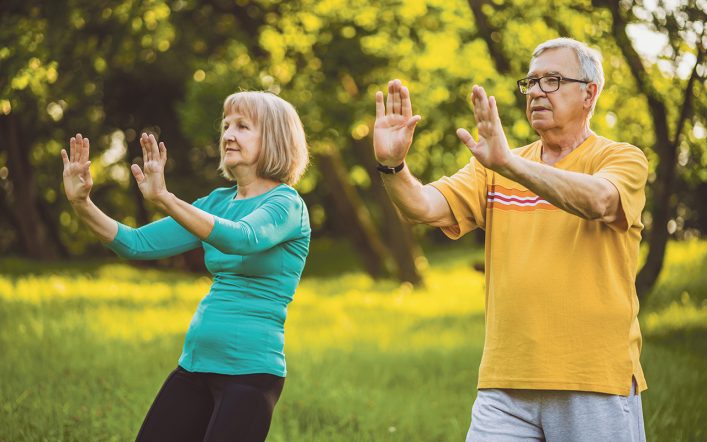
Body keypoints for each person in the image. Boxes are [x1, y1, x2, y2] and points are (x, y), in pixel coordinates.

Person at [373, 38, 648, 441]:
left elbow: (601, 201)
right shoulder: (495, 166)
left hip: (592, 379)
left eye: (552, 80)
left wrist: (510, 164)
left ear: (589, 93)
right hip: (505, 384)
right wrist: (391, 165)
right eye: (531, 82)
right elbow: (422, 207)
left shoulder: (620, 158)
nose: (536, 90)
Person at [61, 91, 311, 442]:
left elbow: (243, 238)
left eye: (242, 126)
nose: (228, 135)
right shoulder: (217, 202)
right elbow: (136, 244)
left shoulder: (286, 204)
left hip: (251, 374)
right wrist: (82, 203)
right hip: (195, 365)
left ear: (274, 138)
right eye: (226, 126)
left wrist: (165, 198)